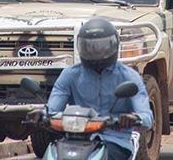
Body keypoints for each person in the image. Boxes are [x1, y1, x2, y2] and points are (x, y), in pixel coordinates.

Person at [46, 18, 153, 160]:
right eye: (89, 47)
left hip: (115, 140)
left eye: (101, 47)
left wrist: (133, 118)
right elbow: (52, 110)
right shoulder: (70, 74)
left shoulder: (129, 76)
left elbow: (147, 116)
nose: (95, 52)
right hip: (75, 139)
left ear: (114, 45)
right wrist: (40, 115)